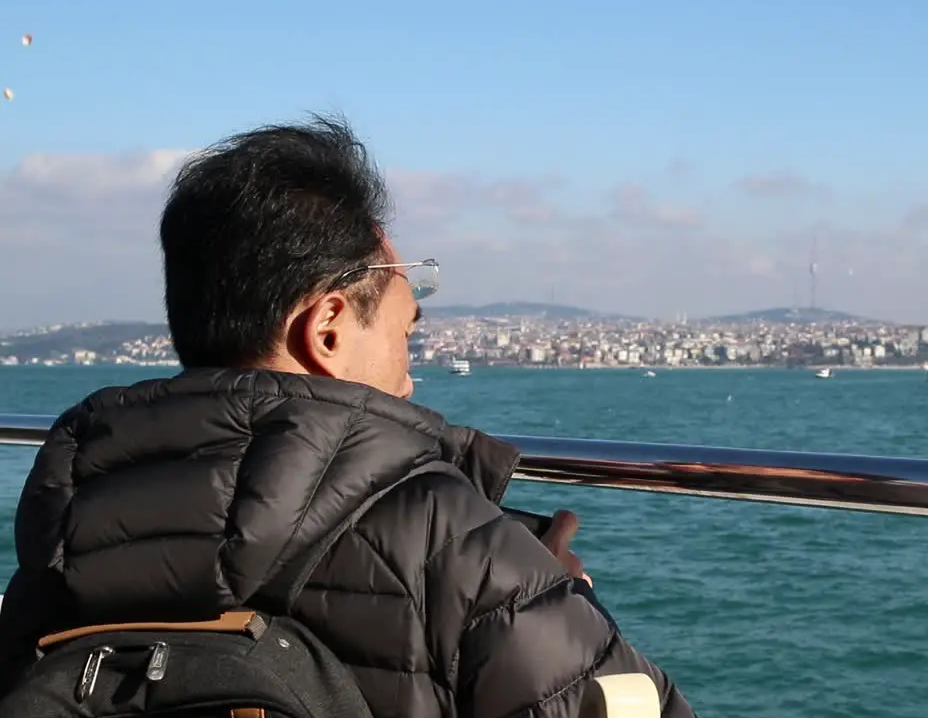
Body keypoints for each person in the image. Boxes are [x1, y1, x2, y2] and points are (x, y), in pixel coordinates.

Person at [0, 114, 696, 718]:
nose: (410, 368)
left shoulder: (66, 522)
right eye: (404, 333)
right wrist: (552, 598)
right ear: (329, 330)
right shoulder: (450, 541)